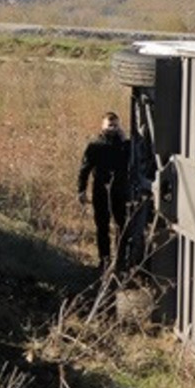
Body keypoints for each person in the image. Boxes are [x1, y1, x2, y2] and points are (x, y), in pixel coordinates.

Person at [77, 112, 131, 272]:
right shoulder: (95, 146)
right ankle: (104, 260)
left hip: (120, 191)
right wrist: (81, 190)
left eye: (116, 125)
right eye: (110, 125)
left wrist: (124, 139)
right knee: (102, 226)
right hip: (101, 190)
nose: (113, 128)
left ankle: (120, 261)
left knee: (121, 226)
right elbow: (84, 170)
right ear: (103, 126)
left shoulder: (125, 146)